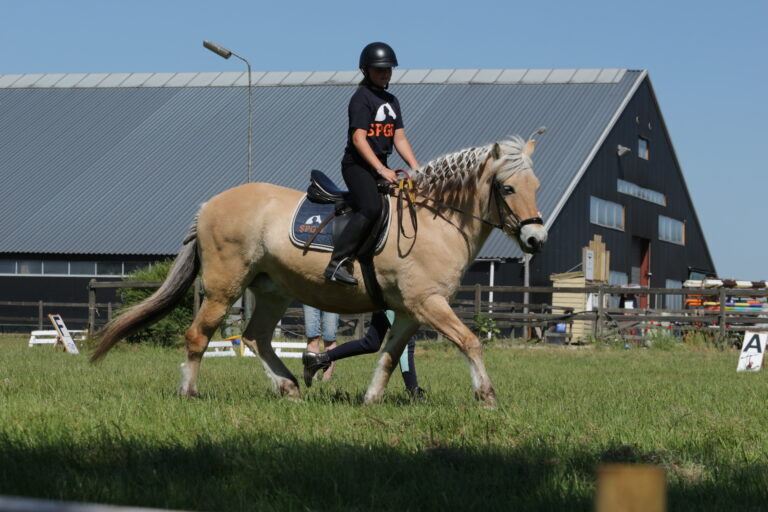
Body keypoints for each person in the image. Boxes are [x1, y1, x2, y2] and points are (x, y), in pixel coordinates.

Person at [323, 41, 420, 284]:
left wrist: (416, 166)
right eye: (379, 69)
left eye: (388, 69)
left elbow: (399, 137)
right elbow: (358, 139)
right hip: (357, 166)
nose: (384, 73)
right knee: (371, 208)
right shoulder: (361, 99)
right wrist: (380, 168)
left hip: (381, 167)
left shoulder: (392, 100)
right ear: (365, 70)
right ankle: (338, 262)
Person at [303, 310, 425, 400]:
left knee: (371, 343)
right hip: (389, 298)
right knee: (406, 341)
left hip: (386, 297)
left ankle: (320, 359)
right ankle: (413, 391)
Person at [302, 304, 339, 381]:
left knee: (330, 338)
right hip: (310, 295)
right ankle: (312, 379)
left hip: (332, 295)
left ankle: (326, 380)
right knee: (312, 336)